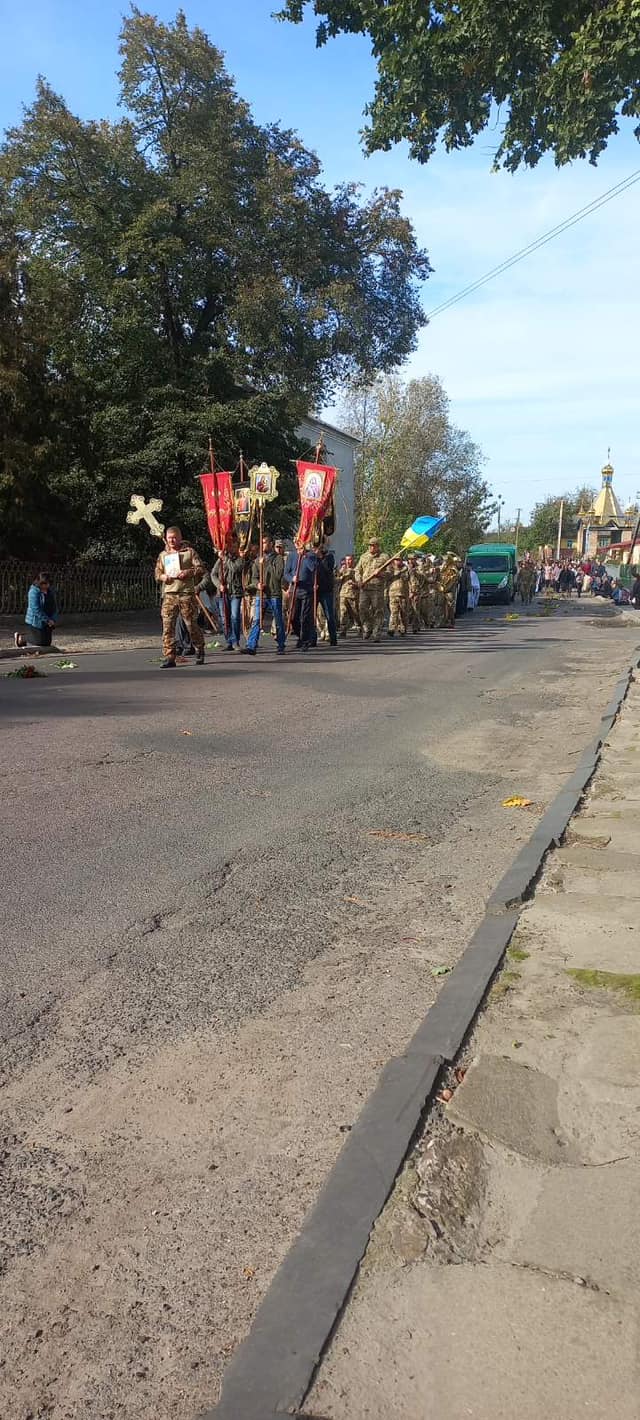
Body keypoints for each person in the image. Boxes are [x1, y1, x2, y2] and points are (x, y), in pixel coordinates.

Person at [155, 527, 205, 668]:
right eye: (169, 537)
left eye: (174, 537)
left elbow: (201, 568)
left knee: (191, 625)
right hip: (170, 595)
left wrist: (188, 572)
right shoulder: (163, 555)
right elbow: (157, 573)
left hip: (186, 594)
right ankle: (170, 656)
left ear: (180, 537)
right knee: (168, 626)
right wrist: (163, 576)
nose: (172, 540)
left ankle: (199, 649)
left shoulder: (189, 552)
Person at [240, 534, 286, 656]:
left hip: (274, 594)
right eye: (262, 543)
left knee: (278, 621)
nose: (263, 545)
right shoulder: (257, 561)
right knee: (256, 620)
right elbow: (254, 578)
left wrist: (266, 564)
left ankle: (281, 644)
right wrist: (257, 585)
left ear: (271, 544)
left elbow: (277, 576)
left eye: (265, 543)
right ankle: (251, 646)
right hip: (261, 594)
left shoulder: (278, 559)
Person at [202, 537, 246, 651]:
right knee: (224, 618)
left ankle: (235, 641)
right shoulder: (221, 560)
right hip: (222, 593)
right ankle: (229, 641)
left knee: (235, 616)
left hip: (235, 592)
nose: (232, 548)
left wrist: (224, 557)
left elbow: (235, 568)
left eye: (234, 546)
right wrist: (219, 585)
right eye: (230, 546)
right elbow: (213, 574)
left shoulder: (240, 559)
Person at [284, 543, 319, 650]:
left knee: (305, 617)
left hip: (307, 590)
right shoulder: (291, 556)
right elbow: (286, 573)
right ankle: (301, 636)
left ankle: (305, 641)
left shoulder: (311, 555)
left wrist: (305, 556)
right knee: (294, 618)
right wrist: (291, 578)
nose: (299, 547)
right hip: (295, 590)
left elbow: (313, 568)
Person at [355, 538, 389, 642]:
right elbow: (357, 570)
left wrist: (380, 574)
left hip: (377, 588)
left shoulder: (384, 557)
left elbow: (390, 572)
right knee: (362, 609)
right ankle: (367, 628)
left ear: (378, 546)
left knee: (378, 611)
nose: (371, 547)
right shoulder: (364, 556)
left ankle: (376, 632)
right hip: (365, 587)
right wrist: (359, 580)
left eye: (374, 545)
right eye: (370, 545)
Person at [15, 572, 59, 648]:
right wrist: (47, 620)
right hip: (36, 621)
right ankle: (21, 637)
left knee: (47, 643)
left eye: (48, 584)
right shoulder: (33, 591)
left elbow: (54, 607)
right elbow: (36, 609)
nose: (47, 586)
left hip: (48, 621)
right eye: (45, 584)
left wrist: (53, 619)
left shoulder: (50, 592)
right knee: (40, 642)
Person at [315, 544, 338, 645]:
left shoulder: (329, 557)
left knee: (329, 615)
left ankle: (333, 638)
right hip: (315, 590)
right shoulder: (312, 557)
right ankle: (312, 639)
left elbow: (328, 569)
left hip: (326, 590)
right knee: (312, 616)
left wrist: (320, 557)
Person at [387, 558, 409, 636]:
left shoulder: (406, 569)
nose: (398, 561)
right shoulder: (390, 569)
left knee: (403, 612)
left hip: (403, 594)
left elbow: (410, 579)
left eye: (400, 560)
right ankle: (391, 628)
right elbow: (388, 577)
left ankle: (402, 628)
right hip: (393, 593)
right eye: (396, 560)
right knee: (394, 612)